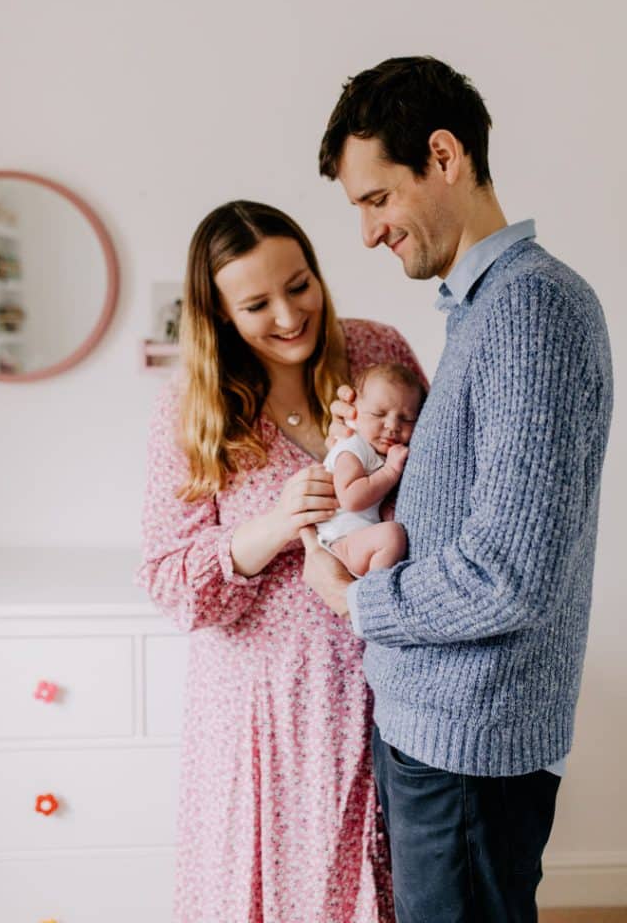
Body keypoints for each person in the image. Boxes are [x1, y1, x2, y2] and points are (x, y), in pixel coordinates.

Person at [301, 57, 614, 922]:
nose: (366, 233)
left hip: (468, 744)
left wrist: (352, 602)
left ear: (443, 156)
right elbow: (461, 520)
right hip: (437, 727)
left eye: (375, 200)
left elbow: (507, 574)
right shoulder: (481, 312)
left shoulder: (529, 308)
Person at [136, 199, 426, 923]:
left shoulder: (373, 355)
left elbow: (439, 483)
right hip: (261, 715)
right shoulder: (191, 411)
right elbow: (170, 583)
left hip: (379, 683)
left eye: (298, 285)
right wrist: (268, 528)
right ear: (221, 314)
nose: (289, 315)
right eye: (257, 303)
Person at [317, 362, 426, 576]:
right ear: (353, 412)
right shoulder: (352, 448)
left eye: (406, 419)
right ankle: (376, 589)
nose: (393, 426)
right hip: (342, 540)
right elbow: (351, 499)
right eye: (378, 414)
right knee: (392, 536)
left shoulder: (378, 450)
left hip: (361, 539)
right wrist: (390, 471)